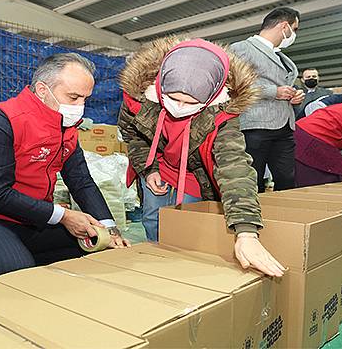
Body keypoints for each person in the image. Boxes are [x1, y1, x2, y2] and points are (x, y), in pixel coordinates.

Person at [0, 53, 130, 284]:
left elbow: (81, 182)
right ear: (42, 89)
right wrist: (64, 216)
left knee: (91, 243)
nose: (80, 107)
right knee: (16, 272)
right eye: (74, 97)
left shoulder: (66, 129)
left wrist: (109, 228)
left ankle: (10, 258)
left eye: (85, 99)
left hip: (27, 216)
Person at [118, 37, 285, 277]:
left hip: (195, 173)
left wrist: (246, 232)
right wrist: (149, 169)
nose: (180, 107)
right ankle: (155, 263)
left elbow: (234, 166)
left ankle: (180, 271)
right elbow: (133, 134)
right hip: (159, 164)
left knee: (188, 226)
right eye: (173, 99)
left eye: (191, 103)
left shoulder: (223, 115)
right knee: (153, 217)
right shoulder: (138, 97)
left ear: (212, 95)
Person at [230, 7, 303, 193]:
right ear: (284, 26)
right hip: (255, 125)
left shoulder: (281, 56)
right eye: (294, 29)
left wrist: (292, 97)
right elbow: (233, 86)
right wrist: (273, 92)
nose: (294, 34)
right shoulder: (241, 48)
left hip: (284, 126)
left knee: (287, 179)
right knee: (253, 179)